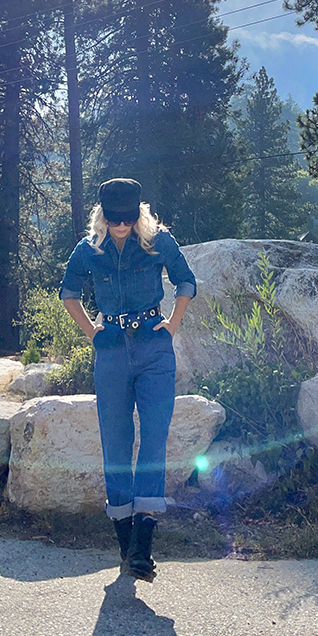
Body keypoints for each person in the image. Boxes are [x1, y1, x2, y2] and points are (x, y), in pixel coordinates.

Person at [60, 178, 196, 582]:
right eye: (114, 219)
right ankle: (127, 540)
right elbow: (68, 293)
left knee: (154, 438)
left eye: (128, 218)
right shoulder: (88, 250)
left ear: (139, 213)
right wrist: (92, 332)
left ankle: (143, 544)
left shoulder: (158, 242)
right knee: (115, 442)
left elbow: (186, 281)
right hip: (111, 350)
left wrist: (172, 323)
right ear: (103, 216)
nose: (121, 226)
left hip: (155, 348)